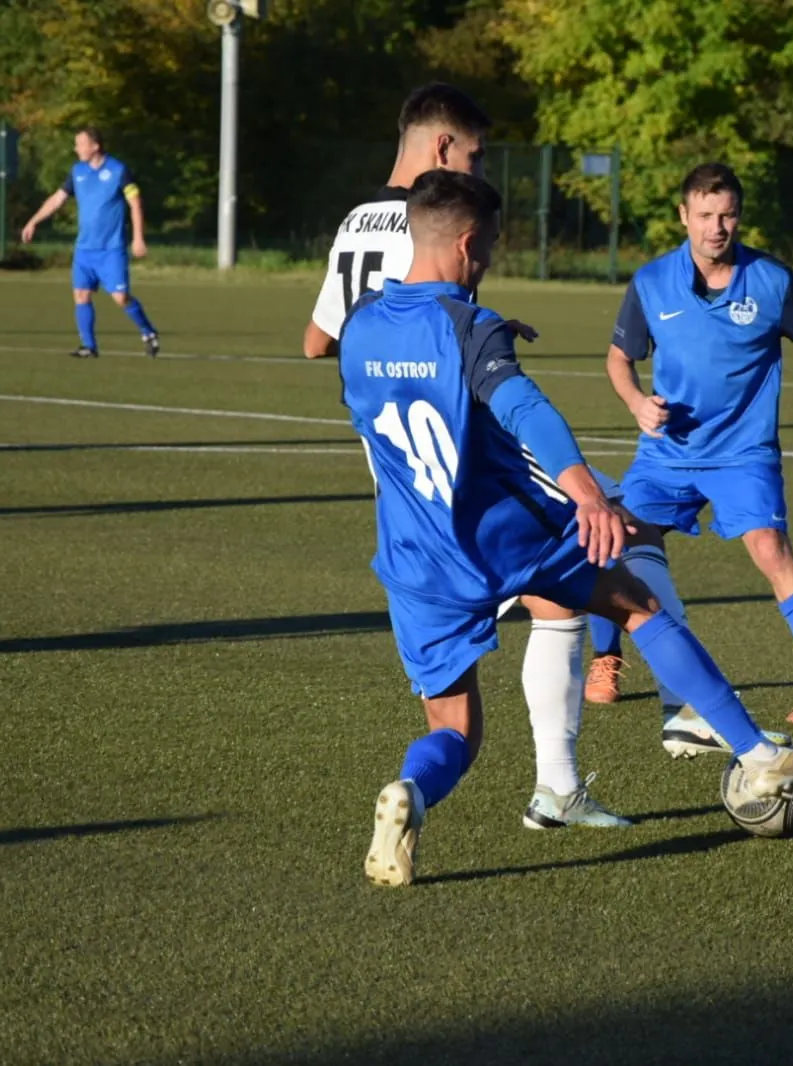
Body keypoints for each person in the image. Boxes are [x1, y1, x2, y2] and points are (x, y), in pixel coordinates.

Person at [342, 170, 793, 886]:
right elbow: (526, 410)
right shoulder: (470, 331)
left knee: (453, 730)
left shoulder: (362, 322)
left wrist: (480, 346)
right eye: (490, 246)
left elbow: (405, 376)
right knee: (635, 602)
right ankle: (754, 753)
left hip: (413, 556)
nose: (489, 259)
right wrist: (586, 494)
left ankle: (411, 793)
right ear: (466, 242)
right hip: (502, 535)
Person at [303, 87, 737, 828]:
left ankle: (556, 789)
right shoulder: (439, 217)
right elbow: (455, 340)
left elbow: (320, 340)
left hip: (402, 474)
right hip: (468, 448)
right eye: (474, 156)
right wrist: (468, 355)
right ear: (443, 150)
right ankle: (685, 711)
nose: (479, 170)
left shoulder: (356, 220)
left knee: (548, 605)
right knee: (621, 525)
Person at [602, 162, 793, 725]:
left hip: (743, 453)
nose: (716, 227)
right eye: (705, 215)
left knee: (770, 548)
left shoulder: (772, 280)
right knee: (614, 536)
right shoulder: (651, 281)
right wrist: (637, 402)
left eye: (728, 215)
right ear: (683, 216)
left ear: (739, 216)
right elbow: (619, 360)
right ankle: (605, 658)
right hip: (669, 452)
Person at [21, 126, 159, 359]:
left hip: (111, 250)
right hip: (84, 250)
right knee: (81, 295)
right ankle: (88, 346)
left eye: (80, 144)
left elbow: (135, 203)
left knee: (121, 298)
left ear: (95, 146)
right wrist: (33, 221)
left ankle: (148, 332)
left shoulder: (118, 170)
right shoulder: (77, 171)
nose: (76, 149)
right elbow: (57, 199)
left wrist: (138, 237)